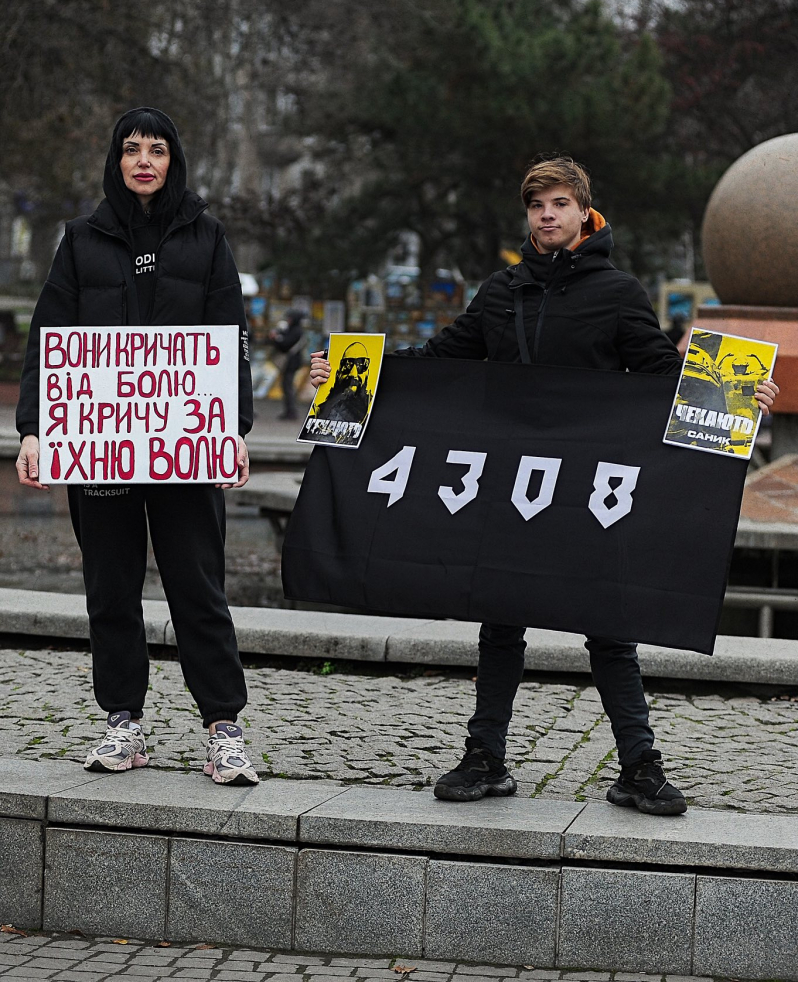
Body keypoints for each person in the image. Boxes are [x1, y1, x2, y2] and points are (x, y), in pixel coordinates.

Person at [310, 156, 779, 815]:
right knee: (500, 622)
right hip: (515, 486)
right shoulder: (501, 291)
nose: (548, 215)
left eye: (559, 203)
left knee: (610, 628)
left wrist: (740, 393)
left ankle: (639, 768)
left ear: (585, 212)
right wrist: (347, 374)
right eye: (537, 206)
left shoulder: (618, 292)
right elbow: (442, 360)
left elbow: (658, 375)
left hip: (588, 490)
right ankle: (485, 759)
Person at [15, 107, 260, 786]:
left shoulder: (207, 236)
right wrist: (34, 428)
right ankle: (123, 722)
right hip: (100, 452)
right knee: (111, 589)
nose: (144, 160)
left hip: (185, 452)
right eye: (132, 149)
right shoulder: (80, 239)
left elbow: (229, 339)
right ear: (116, 161)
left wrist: (233, 431)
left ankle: (224, 728)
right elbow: (48, 337)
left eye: (157, 149)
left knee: (198, 589)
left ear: (174, 160)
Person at [269, 309, 307, 420]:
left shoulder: (296, 331)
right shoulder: (292, 329)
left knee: (288, 386)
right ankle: (289, 411)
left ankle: (291, 411)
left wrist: (276, 338)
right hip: (291, 363)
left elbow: (285, 344)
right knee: (286, 386)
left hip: (291, 363)